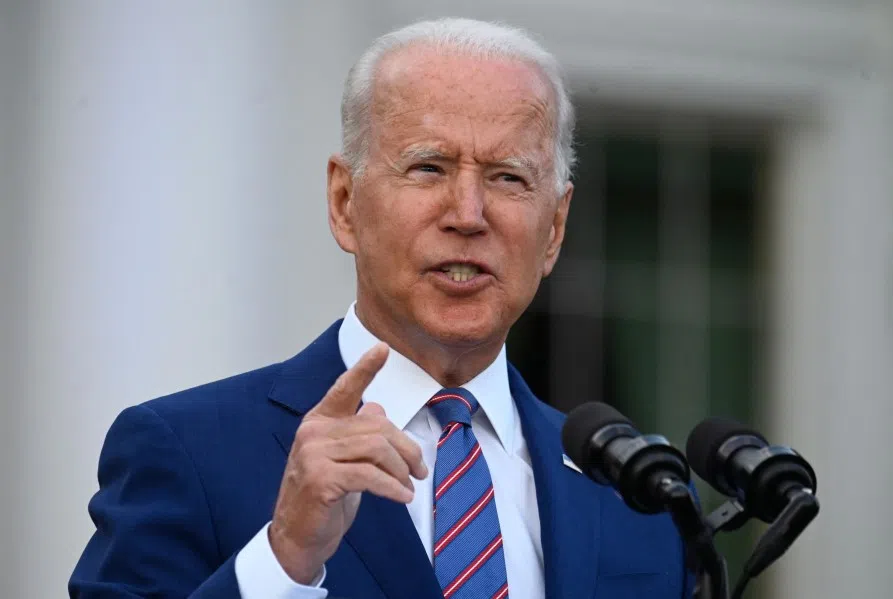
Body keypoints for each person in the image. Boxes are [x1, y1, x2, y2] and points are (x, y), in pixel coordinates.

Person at [70, 17, 692, 599]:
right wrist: (284, 560)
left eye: (508, 178)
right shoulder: (186, 450)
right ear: (345, 203)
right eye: (428, 167)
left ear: (554, 227)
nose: (468, 215)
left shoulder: (638, 493)